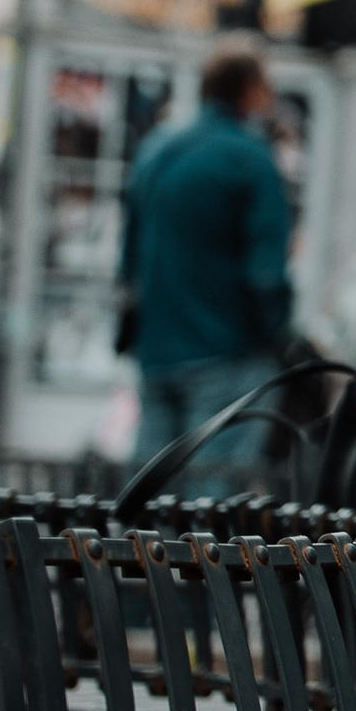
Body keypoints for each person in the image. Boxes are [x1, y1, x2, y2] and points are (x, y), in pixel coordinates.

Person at [121, 36, 294, 471]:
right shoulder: (251, 160)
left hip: (157, 350)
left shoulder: (157, 149)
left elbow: (128, 257)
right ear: (252, 89)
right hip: (227, 350)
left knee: (148, 500)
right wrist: (277, 335)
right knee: (211, 510)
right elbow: (266, 275)